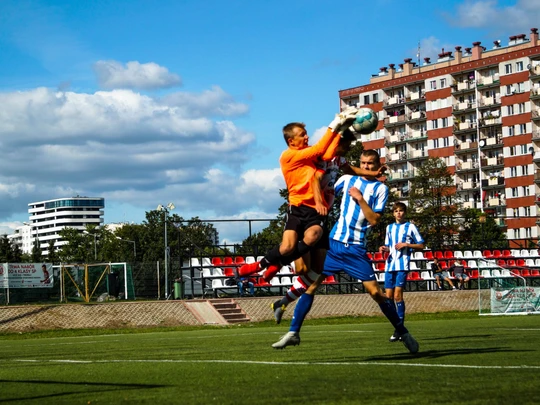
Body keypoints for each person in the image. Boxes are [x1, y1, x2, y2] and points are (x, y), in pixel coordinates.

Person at [272, 150, 419, 354]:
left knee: (376, 293)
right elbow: (324, 184)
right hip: (334, 244)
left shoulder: (380, 189)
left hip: (356, 249)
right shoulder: (347, 179)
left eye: (370, 163)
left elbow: (374, 220)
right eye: (363, 163)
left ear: (377, 164)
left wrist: (359, 199)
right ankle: (293, 332)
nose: (366, 166)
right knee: (311, 285)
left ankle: (403, 333)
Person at [270, 130, 387, 323]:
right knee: (302, 270)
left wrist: (374, 174)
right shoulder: (321, 158)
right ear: (338, 144)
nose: (348, 150)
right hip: (305, 213)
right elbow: (314, 178)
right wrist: (318, 201)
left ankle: (282, 305)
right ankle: (276, 263)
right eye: (346, 146)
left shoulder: (339, 162)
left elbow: (353, 170)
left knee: (310, 275)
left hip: (319, 220)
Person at [236, 107, 361, 282]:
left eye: (306, 133)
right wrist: (336, 124)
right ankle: (262, 266)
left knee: (313, 236)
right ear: (291, 141)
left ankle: (271, 265)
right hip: (297, 208)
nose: (306, 137)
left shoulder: (305, 153)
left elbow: (327, 153)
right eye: (302, 135)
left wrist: (339, 131)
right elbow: (320, 149)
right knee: (287, 247)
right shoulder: (288, 156)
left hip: (314, 211)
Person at [380, 202, 425, 342]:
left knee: (398, 296)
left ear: (404, 213)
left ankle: (399, 329)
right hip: (389, 265)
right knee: (388, 297)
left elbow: (421, 245)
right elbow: (389, 246)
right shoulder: (389, 227)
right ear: (393, 213)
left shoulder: (410, 227)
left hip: (402, 265)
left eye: (401, 211)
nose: (398, 213)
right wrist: (384, 249)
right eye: (396, 211)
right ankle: (398, 326)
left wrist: (407, 244)